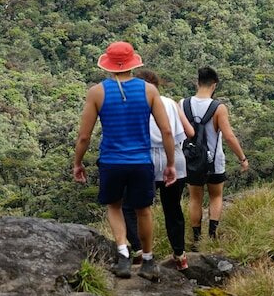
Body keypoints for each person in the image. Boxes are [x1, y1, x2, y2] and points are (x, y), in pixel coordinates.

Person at [73, 41, 176, 281]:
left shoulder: (97, 92)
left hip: (111, 160)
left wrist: (78, 163)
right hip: (141, 160)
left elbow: (84, 136)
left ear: (108, 64)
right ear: (132, 63)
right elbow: (167, 132)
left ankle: (123, 255)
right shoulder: (149, 91)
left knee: (115, 206)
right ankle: (149, 260)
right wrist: (170, 164)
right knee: (144, 210)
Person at [123, 69, 195, 271]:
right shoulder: (171, 103)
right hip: (175, 158)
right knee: (173, 209)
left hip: (145, 158)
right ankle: (180, 256)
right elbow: (190, 132)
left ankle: (140, 251)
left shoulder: (133, 103)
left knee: (131, 206)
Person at [184, 66, 249, 245]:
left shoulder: (183, 103)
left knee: (195, 198)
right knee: (216, 196)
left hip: (192, 161)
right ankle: (212, 236)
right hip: (214, 161)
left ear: (197, 83)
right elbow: (228, 136)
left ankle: (196, 239)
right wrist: (242, 158)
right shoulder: (218, 107)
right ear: (214, 85)